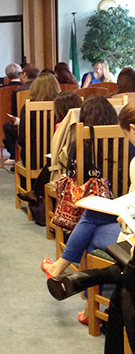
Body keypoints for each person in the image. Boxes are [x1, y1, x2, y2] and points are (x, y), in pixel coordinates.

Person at [44, 102, 135, 342]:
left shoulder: (83, 142)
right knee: (93, 221)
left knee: (90, 218)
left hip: (122, 226)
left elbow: (76, 181)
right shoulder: (128, 148)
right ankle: (85, 300)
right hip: (119, 212)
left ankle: (70, 274)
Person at [17, 91, 83, 206]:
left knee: (51, 164)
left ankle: (35, 193)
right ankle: (35, 193)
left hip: (69, 172)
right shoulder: (87, 123)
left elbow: (62, 157)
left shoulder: (63, 127)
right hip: (88, 170)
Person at [17, 73, 60, 168]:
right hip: (58, 159)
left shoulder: (28, 108)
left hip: (34, 160)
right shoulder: (62, 106)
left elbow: (22, 140)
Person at [2, 64, 40, 166]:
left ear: (24, 75)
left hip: (24, 128)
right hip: (41, 128)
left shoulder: (18, 91)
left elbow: (15, 113)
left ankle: (14, 156)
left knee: (7, 126)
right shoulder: (42, 90)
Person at [0, 63, 22, 134]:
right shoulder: (25, 88)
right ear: (20, 74)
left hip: (2, 122)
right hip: (22, 122)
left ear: (7, 75)